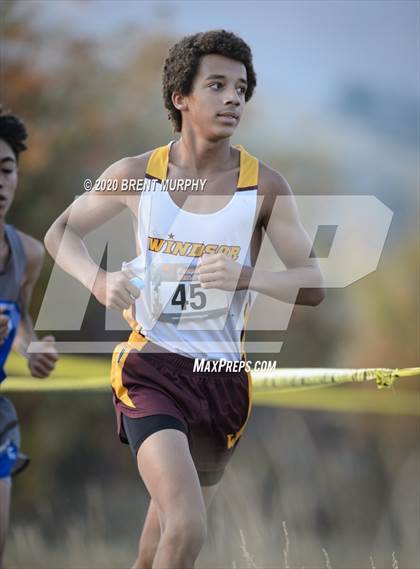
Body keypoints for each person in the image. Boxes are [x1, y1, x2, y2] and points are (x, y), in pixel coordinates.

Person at [44, 30, 325, 569]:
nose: (232, 98)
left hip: (222, 381)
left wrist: (247, 276)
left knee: (158, 551)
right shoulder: (134, 176)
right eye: (217, 85)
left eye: (241, 88)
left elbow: (312, 283)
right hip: (152, 370)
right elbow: (61, 232)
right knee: (188, 526)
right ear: (181, 97)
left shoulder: (265, 186)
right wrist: (98, 282)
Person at [0, 108, 58, 568]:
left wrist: (30, 348)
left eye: (6, 170)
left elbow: (17, 318)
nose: (0, 183)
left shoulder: (28, 252)